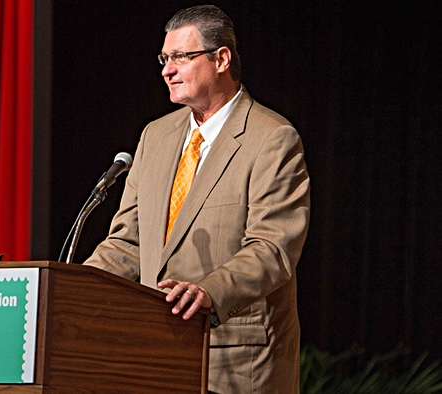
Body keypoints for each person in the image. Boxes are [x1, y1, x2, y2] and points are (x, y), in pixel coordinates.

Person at [83, 5, 310, 393]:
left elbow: (273, 247)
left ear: (221, 59)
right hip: (156, 354)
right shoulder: (155, 136)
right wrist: (71, 290)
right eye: (164, 58)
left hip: (235, 358)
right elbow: (127, 243)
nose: (166, 70)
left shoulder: (271, 138)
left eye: (180, 58)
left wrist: (210, 290)